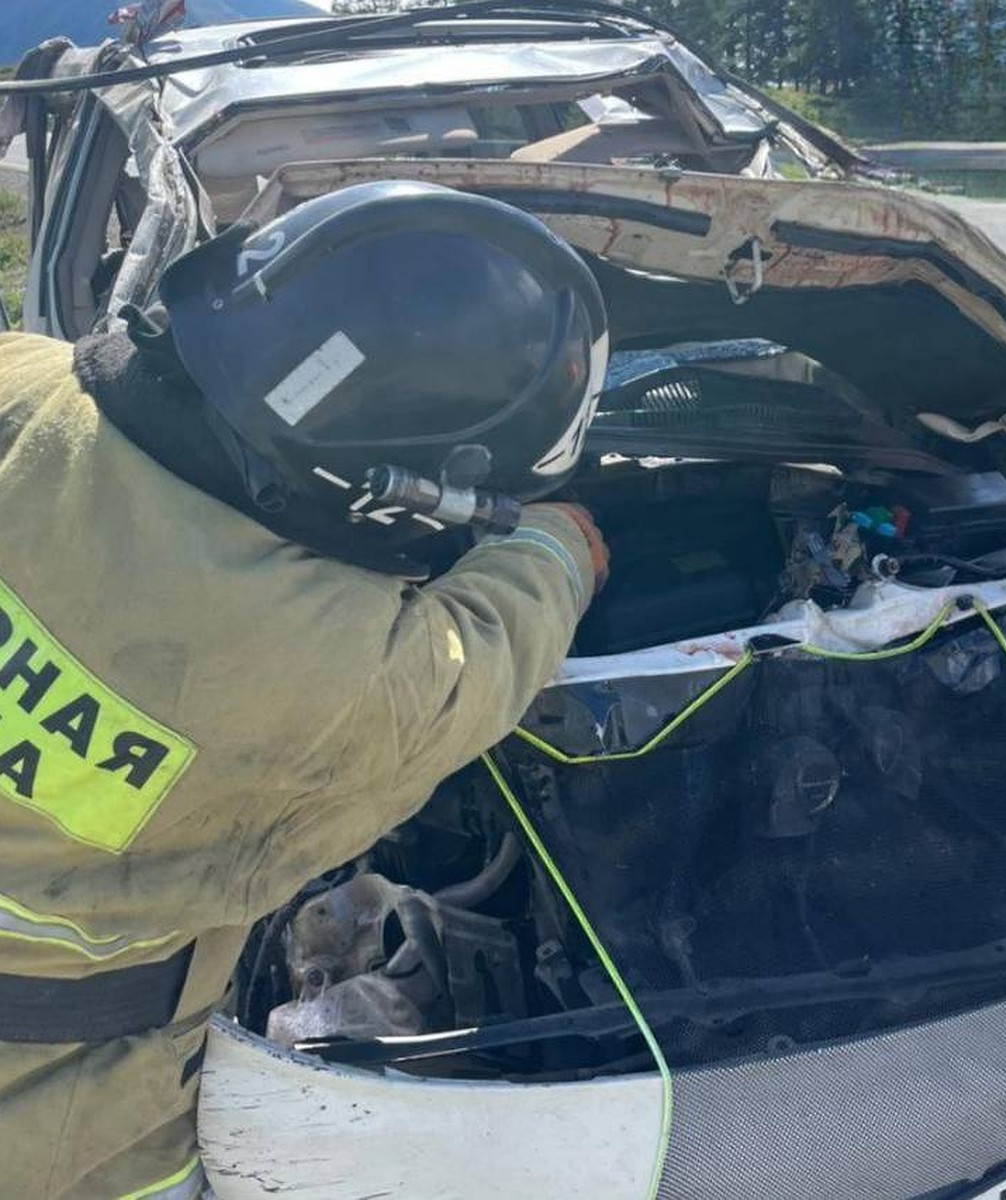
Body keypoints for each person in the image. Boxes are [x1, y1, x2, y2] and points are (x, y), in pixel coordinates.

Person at [0, 181, 610, 1200]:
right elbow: (501, 634)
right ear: (400, 492)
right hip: (46, 1114)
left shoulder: (21, 383)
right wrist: (565, 537)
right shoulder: (336, 680)